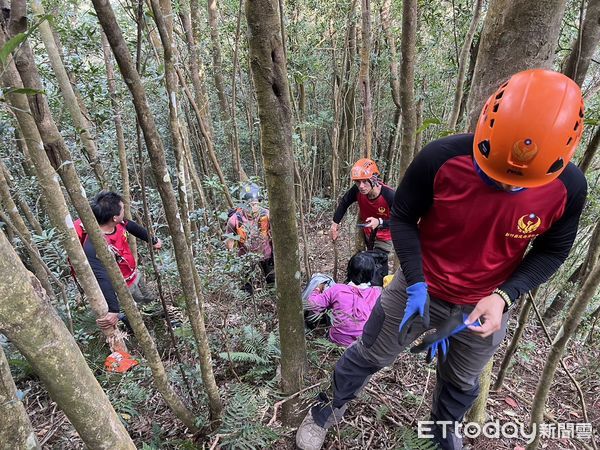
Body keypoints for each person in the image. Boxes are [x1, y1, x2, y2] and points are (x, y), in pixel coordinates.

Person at [296, 69, 587, 450]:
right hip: (419, 285)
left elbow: (552, 250)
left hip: (485, 303)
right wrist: (415, 280)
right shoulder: (443, 158)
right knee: (370, 352)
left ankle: (442, 432)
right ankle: (327, 408)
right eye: (497, 172)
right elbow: (403, 216)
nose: (505, 184)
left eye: (520, 182)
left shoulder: (567, 188)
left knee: (463, 380)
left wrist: (503, 297)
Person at [73, 191, 162, 331]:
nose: (124, 210)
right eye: (123, 209)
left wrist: (153, 240)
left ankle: (157, 317)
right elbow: (101, 277)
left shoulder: (119, 224)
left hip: (134, 275)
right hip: (121, 287)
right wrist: (113, 309)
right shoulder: (93, 245)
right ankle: (134, 328)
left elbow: (133, 227)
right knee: (131, 312)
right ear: (114, 217)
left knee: (148, 299)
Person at [305, 252, 381, 347]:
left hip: (338, 342)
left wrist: (317, 289)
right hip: (364, 343)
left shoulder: (337, 289)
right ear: (372, 273)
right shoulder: (377, 292)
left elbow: (312, 305)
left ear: (349, 271)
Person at [330, 158, 395, 254]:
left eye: (365, 181)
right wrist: (335, 224)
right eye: (357, 182)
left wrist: (379, 222)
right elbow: (344, 202)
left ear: (374, 179)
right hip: (367, 233)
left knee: (377, 263)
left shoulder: (390, 195)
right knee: (363, 264)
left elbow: (401, 220)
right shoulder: (357, 190)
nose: (361, 186)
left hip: (385, 237)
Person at [225, 183, 274, 292]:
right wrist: (231, 256)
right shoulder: (234, 220)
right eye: (250, 204)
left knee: (272, 280)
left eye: (256, 204)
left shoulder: (267, 214)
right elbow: (230, 241)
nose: (254, 207)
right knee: (246, 285)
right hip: (245, 256)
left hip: (266, 253)